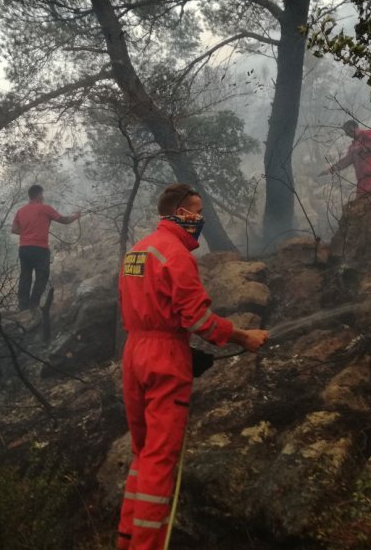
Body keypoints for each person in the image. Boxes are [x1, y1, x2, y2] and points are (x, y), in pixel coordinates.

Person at [116, 183, 269, 550]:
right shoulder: (175, 254)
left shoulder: (137, 251)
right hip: (163, 357)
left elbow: (141, 307)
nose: (200, 219)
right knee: (160, 458)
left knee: (142, 452)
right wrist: (244, 337)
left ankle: (127, 539)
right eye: (196, 212)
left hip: (134, 353)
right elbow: (200, 319)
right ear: (180, 213)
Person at [10, 185, 80, 312]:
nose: (43, 197)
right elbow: (64, 220)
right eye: (42, 194)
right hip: (40, 249)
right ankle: (33, 305)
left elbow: (14, 229)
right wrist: (75, 217)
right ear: (38, 195)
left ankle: (23, 306)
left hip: (24, 249)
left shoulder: (21, 211)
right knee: (42, 276)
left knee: (25, 276)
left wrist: (27, 232)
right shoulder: (45, 208)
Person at [320, 120, 371, 197]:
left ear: (353, 128)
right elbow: (346, 161)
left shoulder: (367, 134)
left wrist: (362, 148)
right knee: (361, 201)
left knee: (365, 201)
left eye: (348, 132)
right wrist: (331, 169)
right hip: (362, 179)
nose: (348, 135)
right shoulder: (353, 147)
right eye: (347, 133)